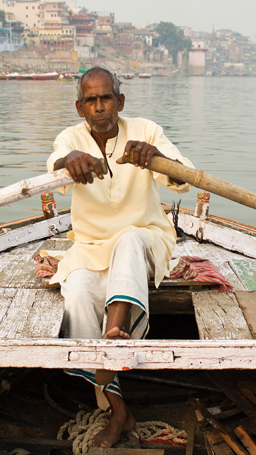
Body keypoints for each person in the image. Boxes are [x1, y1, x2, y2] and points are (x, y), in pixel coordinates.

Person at [47, 67, 193, 448]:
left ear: (120, 102)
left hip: (145, 240)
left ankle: (114, 333)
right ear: (80, 107)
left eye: (106, 98)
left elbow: (184, 179)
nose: (99, 107)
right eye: (91, 101)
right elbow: (55, 167)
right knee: (77, 290)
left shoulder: (145, 131)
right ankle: (118, 409)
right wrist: (68, 163)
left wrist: (157, 157)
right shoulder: (70, 139)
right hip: (91, 247)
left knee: (128, 237)